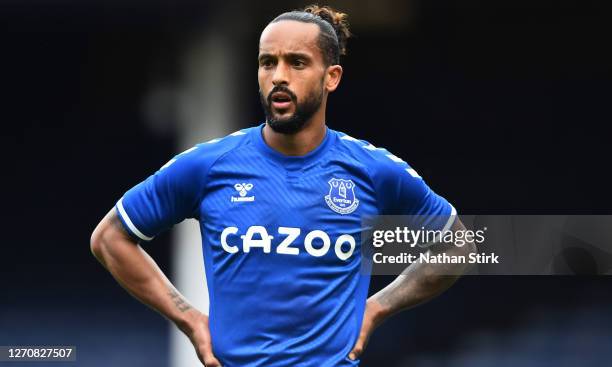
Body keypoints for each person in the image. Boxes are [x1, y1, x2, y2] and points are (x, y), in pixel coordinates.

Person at [90, 5, 476, 366]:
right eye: (267, 62)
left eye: (297, 63)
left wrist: (376, 309)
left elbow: (459, 246)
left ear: (331, 77)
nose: (278, 76)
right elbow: (110, 238)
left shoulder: (373, 170)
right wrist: (188, 317)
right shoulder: (209, 165)